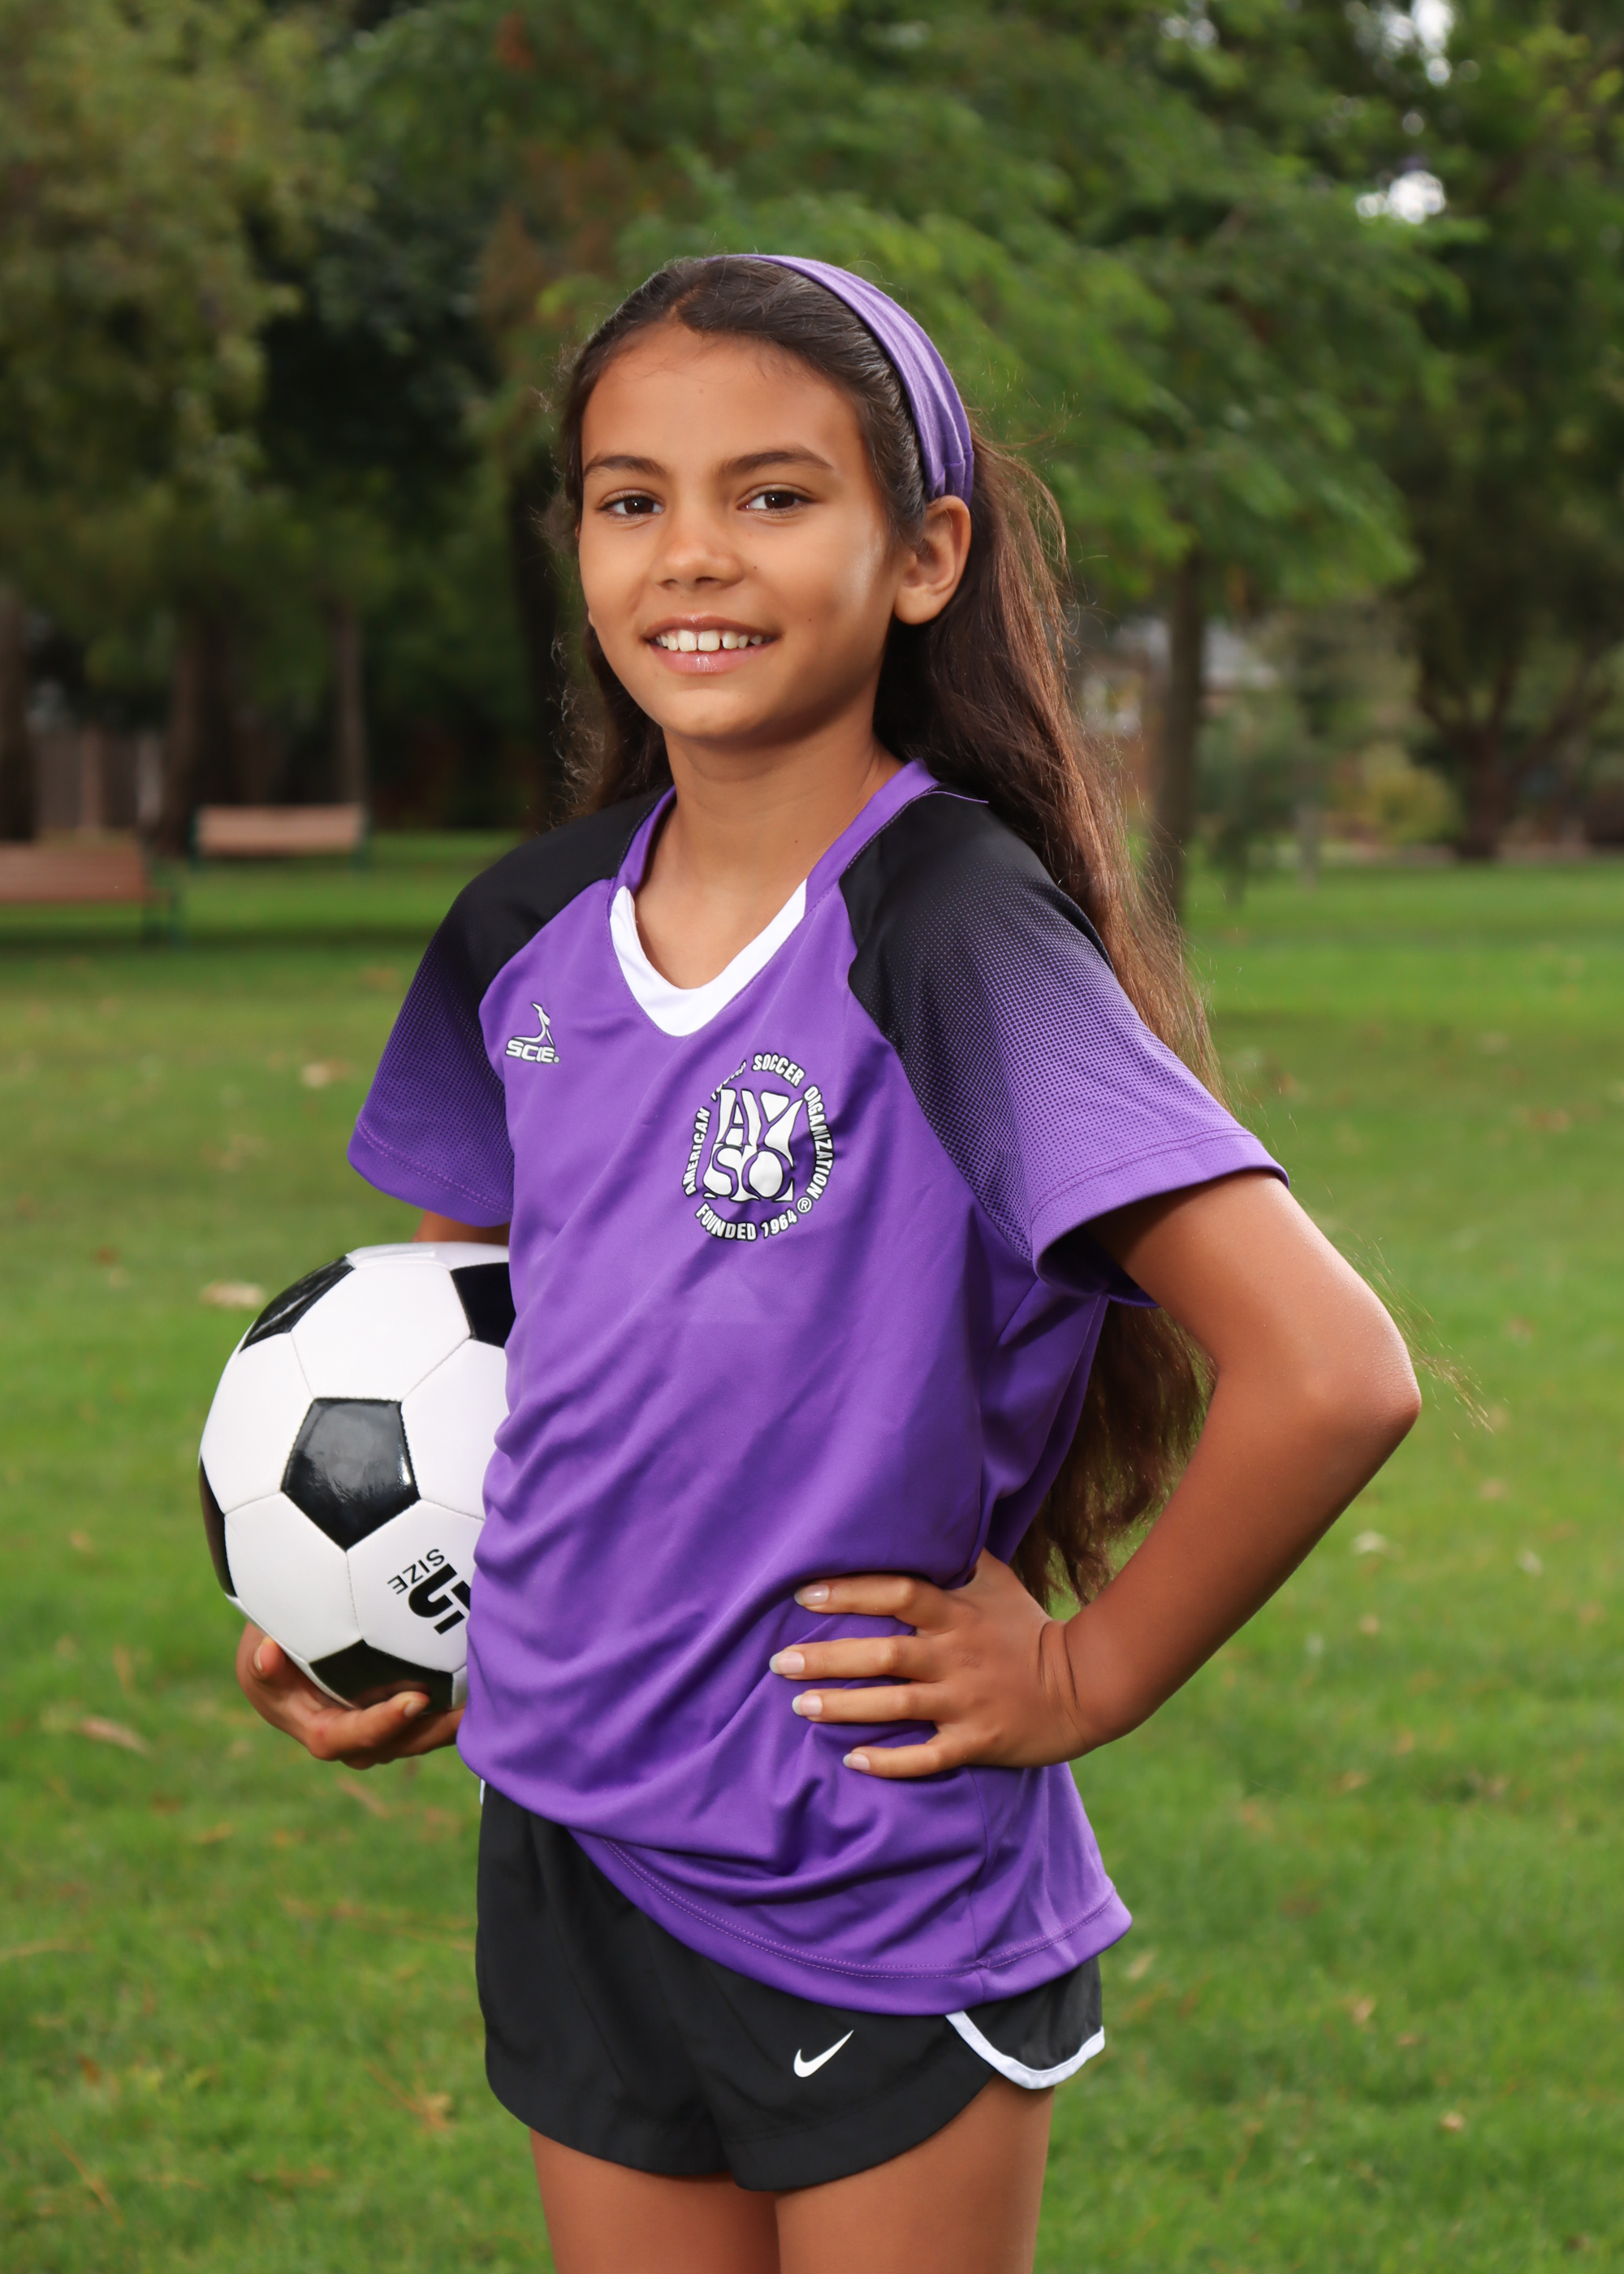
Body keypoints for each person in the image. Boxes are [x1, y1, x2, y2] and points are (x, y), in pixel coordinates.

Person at [237, 255, 1419, 2274]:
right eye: (631, 497)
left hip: (855, 1863)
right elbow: (477, 1358)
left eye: (773, 494)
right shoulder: (521, 928)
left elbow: (1332, 1369)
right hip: (569, 1839)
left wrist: (1082, 1668)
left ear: (924, 554)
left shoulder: (944, 924)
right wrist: (395, 1616)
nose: (692, 551)